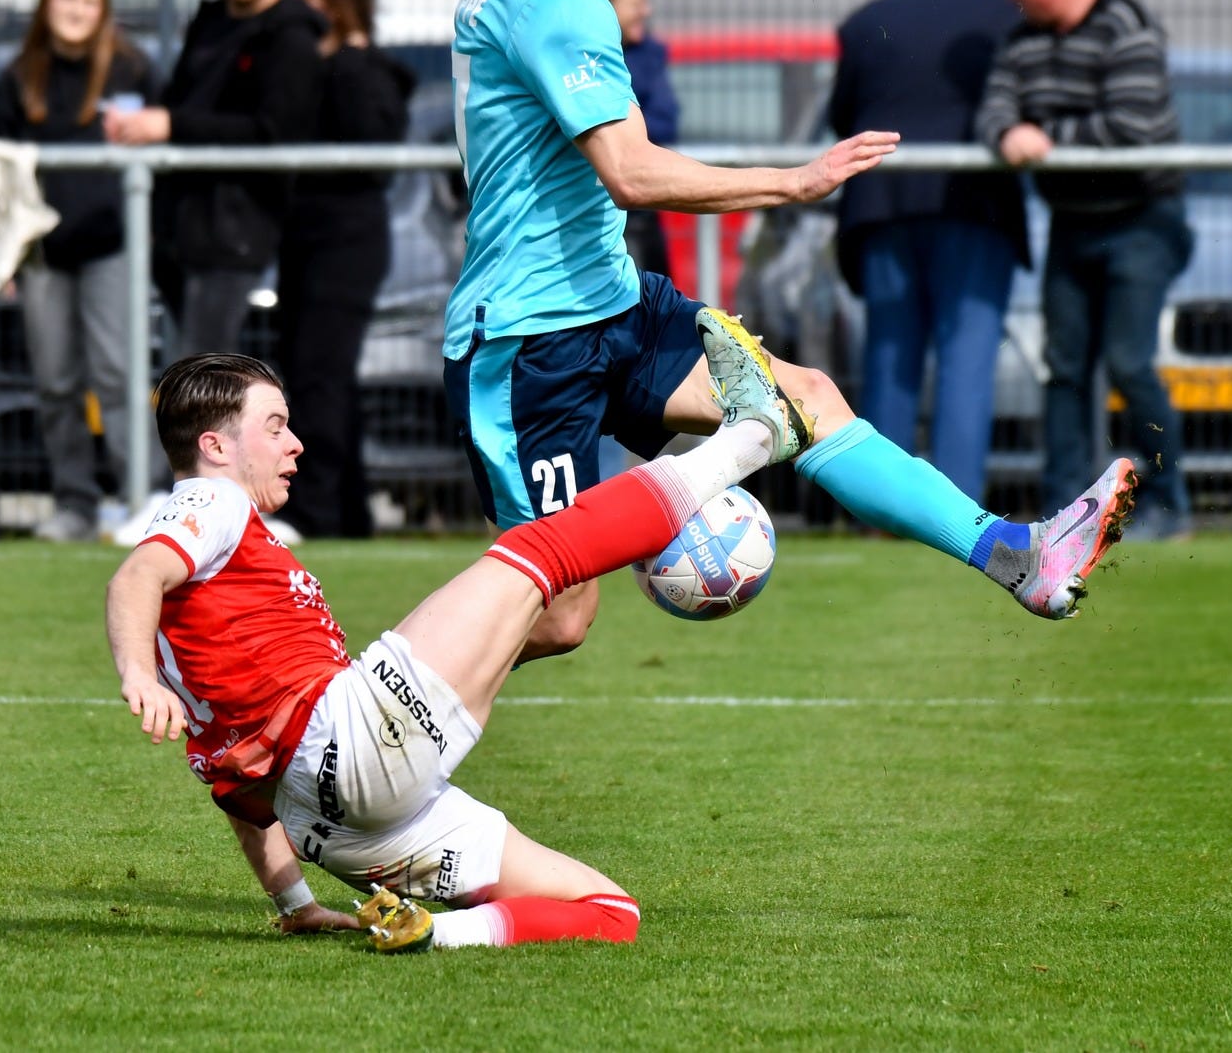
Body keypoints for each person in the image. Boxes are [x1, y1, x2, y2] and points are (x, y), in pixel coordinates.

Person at [444, 0, 1138, 662]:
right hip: (527, 340)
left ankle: (1018, 555)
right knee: (556, 614)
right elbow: (630, 171)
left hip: (612, 306)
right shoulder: (559, 1)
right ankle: (371, 689)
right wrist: (793, 180)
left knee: (804, 396)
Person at [103, 325, 793, 951]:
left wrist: (296, 902)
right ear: (215, 446)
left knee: (610, 909)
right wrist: (136, 672)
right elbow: (136, 573)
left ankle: (435, 932)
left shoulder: (199, 613)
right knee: (546, 549)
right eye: (275, 426)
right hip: (356, 744)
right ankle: (756, 435)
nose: (296, 443)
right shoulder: (210, 498)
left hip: (336, 829)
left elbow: (241, 798)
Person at [104, 0, 327, 529]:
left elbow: (276, 129)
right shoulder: (210, 23)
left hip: (236, 226)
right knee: (186, 369)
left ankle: (218, 508)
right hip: (181, 225)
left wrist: (170, 125)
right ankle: (187, 502)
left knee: (209, 377)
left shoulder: (293, 35)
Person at [976, 0, 1193, 537]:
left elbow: (1135, 128)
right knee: (1066, 366)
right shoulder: (1021, 40)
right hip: (1073, 224)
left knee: (1129, 363)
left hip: (1143, 222)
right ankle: (1064, 507)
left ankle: (1169, 502)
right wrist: (1005, 132)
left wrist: (1044, 140)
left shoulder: (1125, 27)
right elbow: (995, 108)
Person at [829, 0, 1026, 503]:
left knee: (890, 357)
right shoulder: (1003, 13)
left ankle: (886, 506)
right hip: (974, 204)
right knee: (968, 359)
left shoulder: (867, 19)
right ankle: (958, 507)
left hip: (884, 202)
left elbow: (843, 114)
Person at [0, 0, 156, 543]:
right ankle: (75, 504)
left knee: (118, 374)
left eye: (88, 0)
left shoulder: (132, 69)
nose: (77, 10)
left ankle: (143, 500)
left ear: (103, 10)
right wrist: (2, 255)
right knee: (56, 381)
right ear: (47, 4)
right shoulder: (17, 77)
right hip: (41, 255)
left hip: (113, 245)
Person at [270, 0, 413, 539]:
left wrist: (347, 59)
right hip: (310, 239)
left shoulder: (356, 69)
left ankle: (318, 511)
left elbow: (372, 148)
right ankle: (347, 514)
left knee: (319, 374)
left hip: (344, 241)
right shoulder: (322, 66)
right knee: (320, 375)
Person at [607, 0, 676, 277]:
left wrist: (617, 128)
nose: (646, 12)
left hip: (637, 218)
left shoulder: (648, 56)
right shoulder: (584, 53)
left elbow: (667, 119)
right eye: (638, 2)